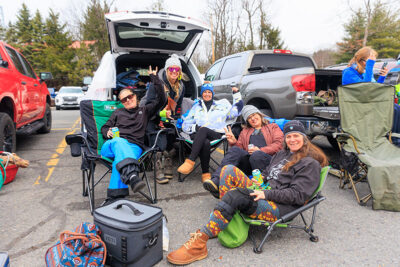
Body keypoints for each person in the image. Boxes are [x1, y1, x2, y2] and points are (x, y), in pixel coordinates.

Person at [167, 120, 328, 265]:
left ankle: (200, 242)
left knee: (236, 195)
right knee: (228, 170)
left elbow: (298, 196)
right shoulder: (282, 154)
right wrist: (261, 179)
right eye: (288, 136)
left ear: (304, 138)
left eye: (296, 136)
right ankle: (222, 220)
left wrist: (266, 194)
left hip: (279, 206)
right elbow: (267, 172)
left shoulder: (309, 164)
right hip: (265, 191)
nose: (292, 140)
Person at [100, 66, 166, 201]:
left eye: (130, 97)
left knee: (119, 161)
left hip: (134, 148)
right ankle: (132, 175)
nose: (128, 100)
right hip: (111, 146)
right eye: (124, 100)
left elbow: (161, 99)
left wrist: (155, 78)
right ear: (122, 103)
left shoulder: (144, 111)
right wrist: (107, 132)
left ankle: (114, 198)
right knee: (119, 142)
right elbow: (105, 127)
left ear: (135, 96)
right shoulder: (117, 113)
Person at [203, 105, 284, 198]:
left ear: (260, 114)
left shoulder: (272, 126)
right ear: (247, 121)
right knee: (235, 150)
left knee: (256, 155)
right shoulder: (245, 131)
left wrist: (260, 150)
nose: (253, 118)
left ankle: (264, 188)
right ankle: (217, 181)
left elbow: (280, 144)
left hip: (268, 162)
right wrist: (234, 143)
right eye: (249, 118)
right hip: (250, 164)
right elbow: (240, 151)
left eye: (254, 115)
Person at [177, 83, 243, 182]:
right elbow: (185, 124)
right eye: (204, 92)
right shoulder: (196, 107)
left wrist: (236, 93)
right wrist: (196, 127)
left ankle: (190, 161)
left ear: (212, 93)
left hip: (216, 134)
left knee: (203, 130)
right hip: (199, 136)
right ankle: (205, 173)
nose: (207, 94)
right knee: (205, 142)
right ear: (201, 94)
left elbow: (236, 111)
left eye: (209, 92)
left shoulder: (221, 106)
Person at [144, 54, 185, 184]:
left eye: (176, 69)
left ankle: (168, 163)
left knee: (173, 137)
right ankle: (158, 168)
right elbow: (148, 107)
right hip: (152, 117)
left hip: (167, 117)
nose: (174, 72)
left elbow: (177, 106)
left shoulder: (181, 86)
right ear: (167, 70)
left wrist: (177, 117)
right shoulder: (157, 84)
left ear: (179, 72)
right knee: (158, 142)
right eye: (171, 69)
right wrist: (161, 114)